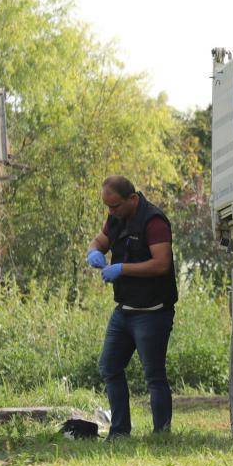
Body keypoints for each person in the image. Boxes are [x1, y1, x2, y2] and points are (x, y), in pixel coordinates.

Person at [86, 176, 178, 438]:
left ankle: (161, 434)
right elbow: (99, 242)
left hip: (153, 312)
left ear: (132, 199)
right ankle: (119, 432)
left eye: (114, 206)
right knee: (109, 366)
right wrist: (93, 252)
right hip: (124, 311)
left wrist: (122, 269)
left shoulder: (154, 222)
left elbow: (161, 264)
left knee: (154, 376)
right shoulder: (116, 219)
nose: (110, 212)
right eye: (107, 207)